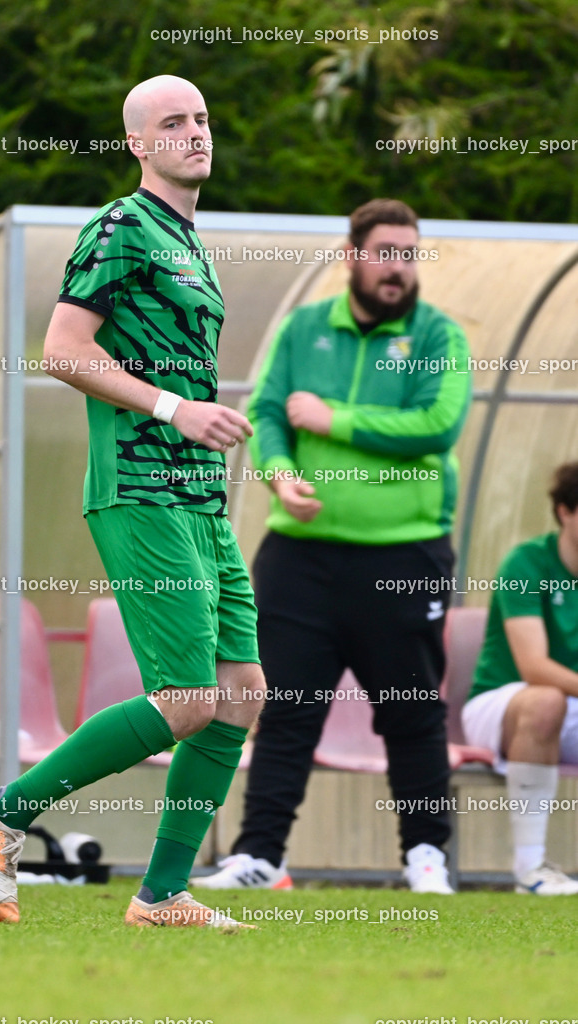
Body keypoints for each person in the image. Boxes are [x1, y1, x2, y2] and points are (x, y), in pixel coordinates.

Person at [0, 75, 264, 929]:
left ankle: (162, 896)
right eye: (174, 123)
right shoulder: (122, 226)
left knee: (239, 692)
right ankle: (3, 813)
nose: (195, 133)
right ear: (137, 143)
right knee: (187, 699)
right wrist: (173, 409)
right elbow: (62, 349)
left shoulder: (187, 238)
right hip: (139, 487)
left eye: (202, 119)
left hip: (199, 499)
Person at [193, 198, 471, 894]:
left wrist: (334, 419)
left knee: (411, 708)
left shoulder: (438, 335)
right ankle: (260, 857)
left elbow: (437, 424)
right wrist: (280, 475)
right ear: (351, 257)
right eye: (384, 253)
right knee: (284, 708)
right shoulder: (303, 327)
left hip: (405, 555)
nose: (397, 268)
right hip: (300, 556)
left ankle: (426, 857)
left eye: (408, 255)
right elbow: (267, 411)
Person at [462, 462, 578, 895]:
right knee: (546, 700)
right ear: (565, 511)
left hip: (570, 707)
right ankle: (530, 870)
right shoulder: (526, 563)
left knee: (554, 702)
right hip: (502, 705)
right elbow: (534, 667)